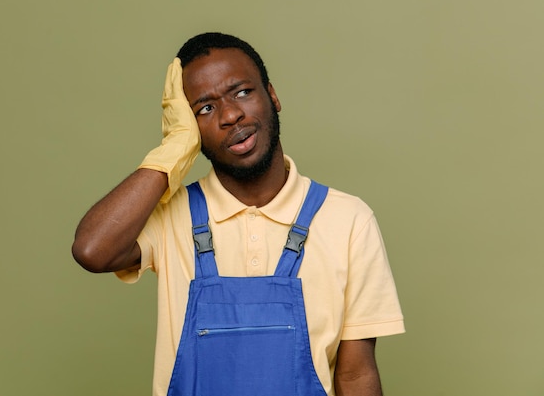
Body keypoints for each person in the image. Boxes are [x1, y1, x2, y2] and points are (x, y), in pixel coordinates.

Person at [72, 32, 405, 396]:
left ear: (273, 96)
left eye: (242, 92)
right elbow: (93, 249)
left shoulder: (348, 220)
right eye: (205, 108)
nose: (231, 114)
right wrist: (174, 149)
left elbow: (355, 376)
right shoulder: (172, 216)